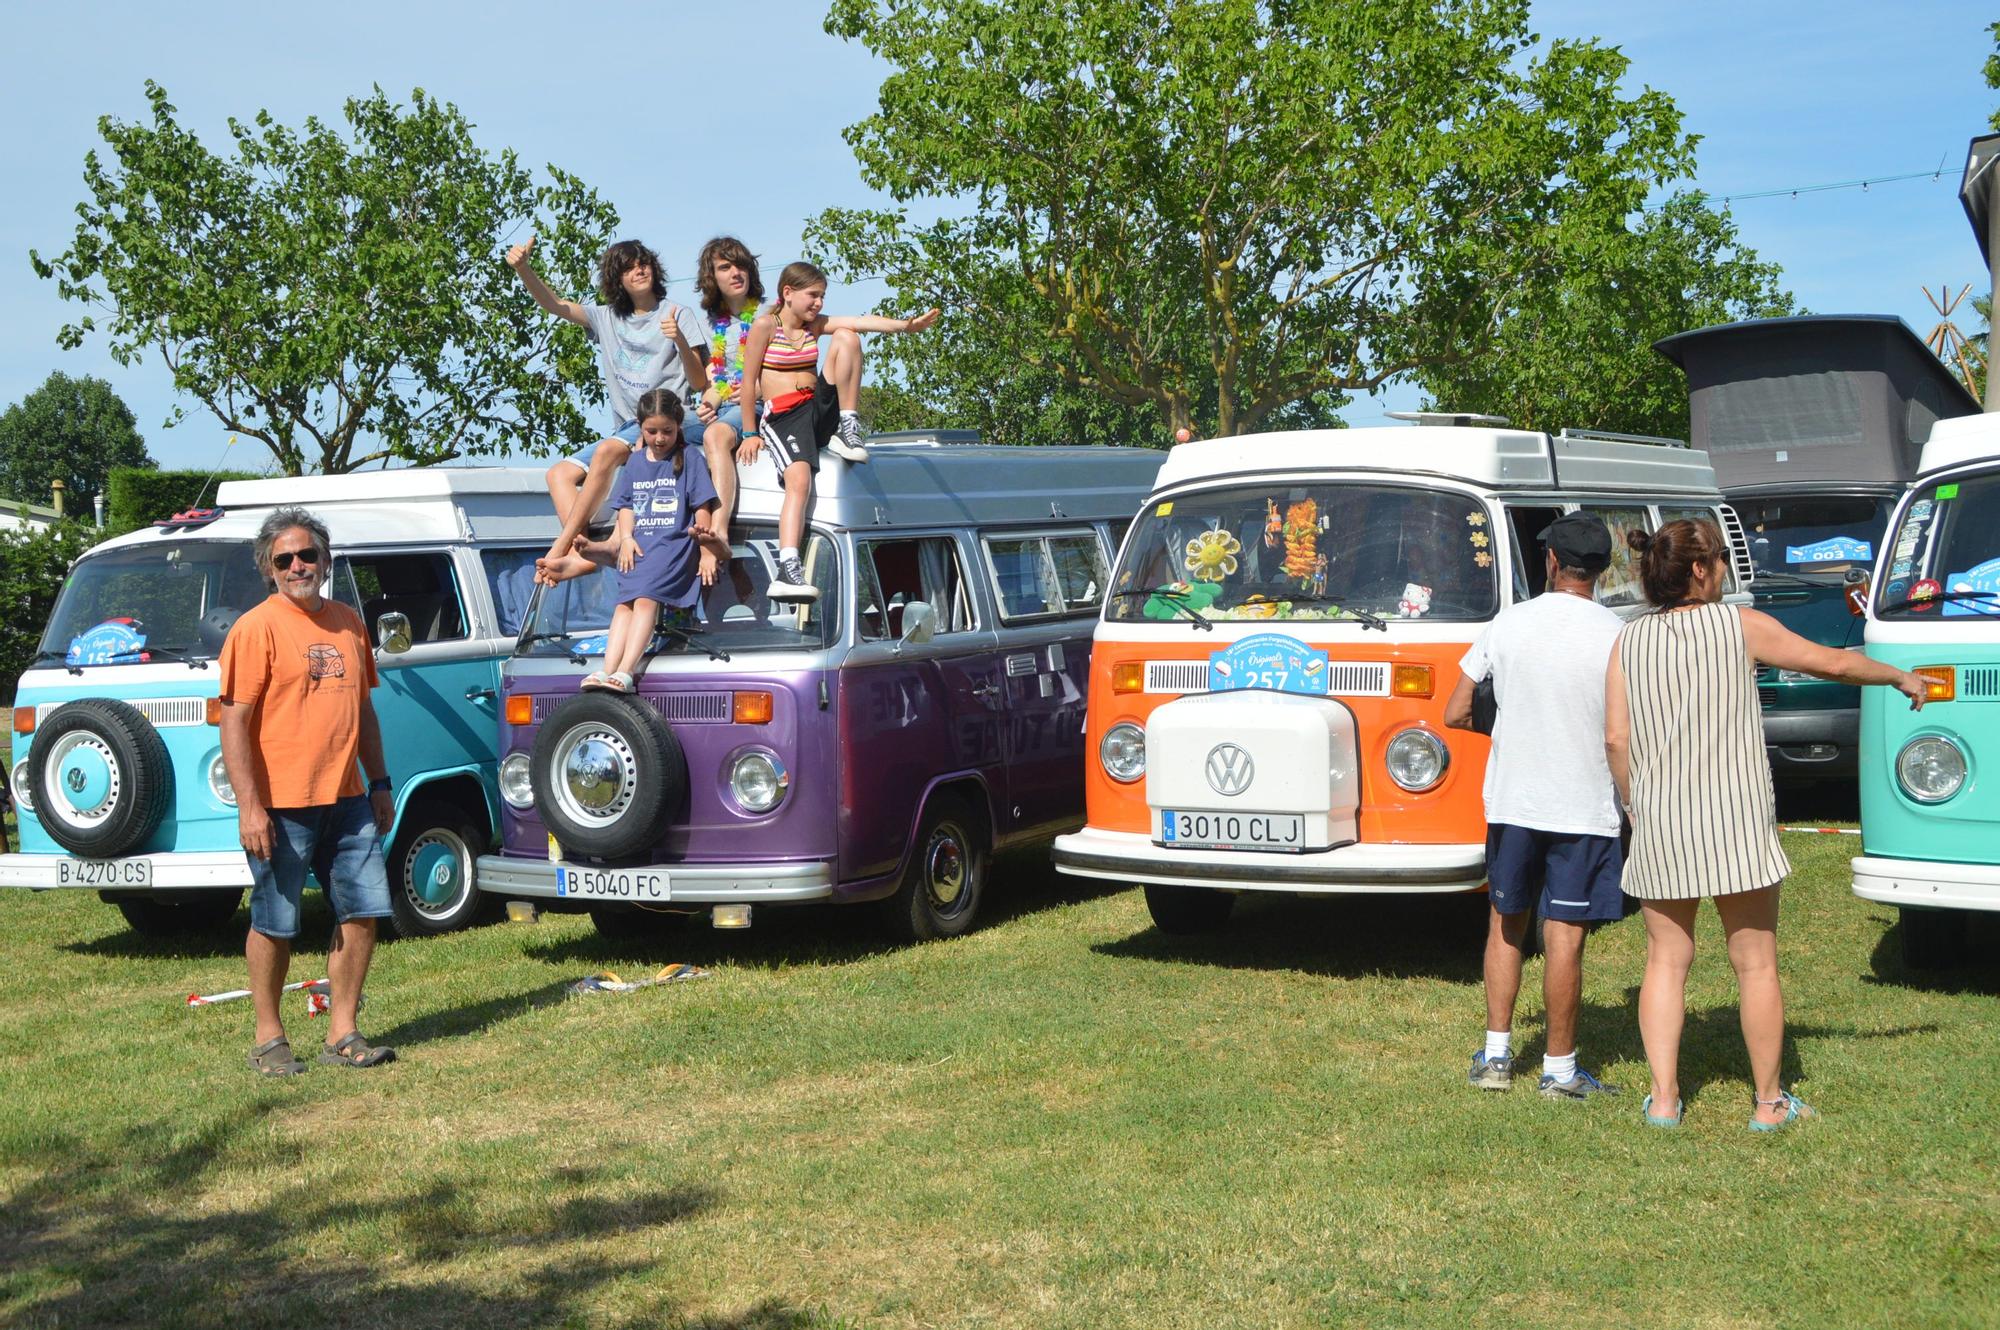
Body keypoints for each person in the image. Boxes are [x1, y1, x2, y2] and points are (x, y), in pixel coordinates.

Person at [1604, 518, 1929, 1130]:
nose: (1726, 567)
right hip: (1737, 819)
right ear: (1699, 569)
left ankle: (1666, 1101)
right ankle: (1768, 1104)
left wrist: (1634, 805)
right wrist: (1899, 675)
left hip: (1661, 822)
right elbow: (1831, 663)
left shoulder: (1627, 642)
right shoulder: (1741, 625)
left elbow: (1616, 738)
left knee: (1665, 962)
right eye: (1723, 557)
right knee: (1755, 963)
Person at [1445, 512, 1626, 1100]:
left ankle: (1497, 1057)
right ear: (1602, 569)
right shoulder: (1618, 632)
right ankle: (1561, 1071)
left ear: (1551, 562)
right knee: (1565, 934)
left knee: (1506, 922)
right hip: (1584, 805)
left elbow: (1455, 711)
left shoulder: (1509, 623)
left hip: (1514, 800)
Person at [219, 507, 398, 1075]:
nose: (298, 566)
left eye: (308, 555)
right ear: (269, 570)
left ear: (325, 560)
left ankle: (343, 1031)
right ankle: (270, 1038)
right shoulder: (256, 628)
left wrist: (380, 782)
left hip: (348, 799)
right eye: (284, 559)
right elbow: (233, 722)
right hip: (280, 804)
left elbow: (363, 709)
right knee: (275, 920)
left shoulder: (349, 621)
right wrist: (251, 806)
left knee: (363, 911)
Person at [505, 235, 709, 582]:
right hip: (628, 425)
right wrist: (524, 269)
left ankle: (563, 548)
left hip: (670, 418)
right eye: (628, 268)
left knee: (607, 452)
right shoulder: (606, 317)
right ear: (617, 280)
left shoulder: (678, 313)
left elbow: (701, 380)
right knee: (558, 474)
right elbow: (555, 305)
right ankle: (585, 551)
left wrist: (679, 340)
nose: (639, 270)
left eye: (643, 263)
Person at [740, 261, 939, 600]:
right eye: (812, 295)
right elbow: (748, 382)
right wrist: (749, 433)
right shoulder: (764, 326)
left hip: (816, 408)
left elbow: (861, 322)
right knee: (799, 480)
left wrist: (906, 326)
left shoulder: (814, 327)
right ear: (787, 293)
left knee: (848, 337)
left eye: (822, 296)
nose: (818, 303)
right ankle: (788, 567)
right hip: (785, 417)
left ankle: (848, 425)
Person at [585, 391, 722, 693]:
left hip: (673, 546)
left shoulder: (691, 459)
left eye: (667, 431)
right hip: (639, 546)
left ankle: (626, 670)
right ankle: (607, 669)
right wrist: (625, 539)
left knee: (646, 599)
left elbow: (703, 507)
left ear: (679, 427)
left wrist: (706, 550)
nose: (660, 438)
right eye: (652, 431)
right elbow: (625, 505)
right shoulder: (634, 462)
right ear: (640, 426)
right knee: (624, 605)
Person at [689, 236, 764, 550]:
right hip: (720, 405)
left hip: (757, 407)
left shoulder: (770, 316)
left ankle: (718, 531)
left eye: (741, 265)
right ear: (712, 278)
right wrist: (709, 400)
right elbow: (712, 377)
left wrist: (754, 388)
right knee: (655, 433)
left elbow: (791, 372)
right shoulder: (708, 324)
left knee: (716, 436)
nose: (736, 272)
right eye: (725, 267)